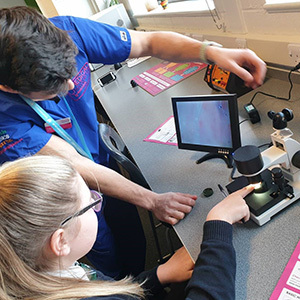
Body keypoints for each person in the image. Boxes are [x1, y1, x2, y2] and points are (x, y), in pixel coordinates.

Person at [0, 6, 265, 278]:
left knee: (131, 234)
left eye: (71, 72)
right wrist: (152, 200)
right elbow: (75, 164)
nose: (69, 86)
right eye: (53, 86)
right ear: (9, 87)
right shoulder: (4, 117)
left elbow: (149, 42)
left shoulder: (69, 31)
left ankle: (144, 273)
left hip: (100, 162)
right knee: (105, 252)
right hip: (66, 197)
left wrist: (210, 52)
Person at [0, 155, 253, 299]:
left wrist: (157, 275)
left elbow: (105, 287)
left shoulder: (46, 271)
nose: (96, 201)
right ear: (61, 241)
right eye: (91, 202)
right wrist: (218, 225)